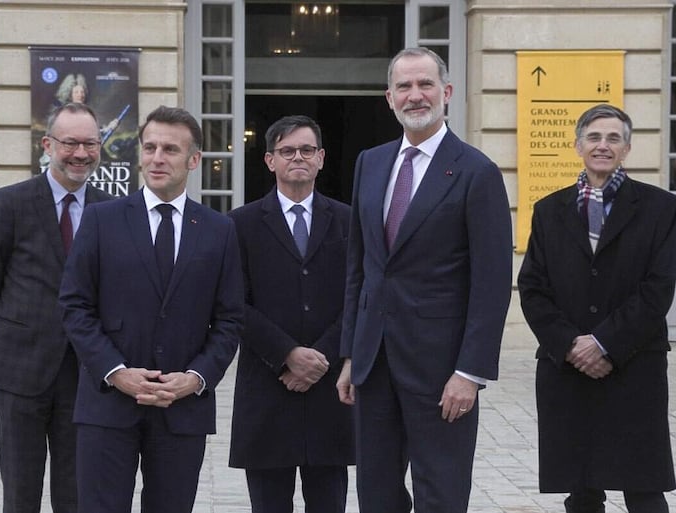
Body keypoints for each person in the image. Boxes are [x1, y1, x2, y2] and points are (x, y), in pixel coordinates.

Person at [336, 47, 513, 513]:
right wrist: (351, 353)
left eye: (425, 84)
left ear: (447, 92)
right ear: (389, 98)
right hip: (374, 363)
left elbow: (492, 284)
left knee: (441, 494)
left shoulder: (477, 172)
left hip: (441, 370)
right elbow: (360, 267)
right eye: (404, 87)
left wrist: (470, 373)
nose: (415, 95)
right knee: (376, 494)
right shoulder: (370, 163)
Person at [59, 105, 244, 513]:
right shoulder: (101, 220)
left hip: (182, 408)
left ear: (193, 160)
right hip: (108, 403)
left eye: (170, 150)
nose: (157, 158)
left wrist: (196, 378)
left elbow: (230, 318)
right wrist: (115, 371)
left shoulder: (219, 230)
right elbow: (74, 305)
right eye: (150, 147)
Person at [518, 104, 676, 513]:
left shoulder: (660, 208)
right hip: (567, 370)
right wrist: (572, 345)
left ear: (627, 148)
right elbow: (533, 288)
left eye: (613, 138)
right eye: (593, 137)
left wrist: (604, 343)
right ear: (578, 146)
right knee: (581, 489)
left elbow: (658, 289)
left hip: (634, 367)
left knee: (644, 489)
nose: (602, 145)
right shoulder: (549, 210)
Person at [0, 102, 113, 513]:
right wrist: (15, 333)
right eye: (70, 143)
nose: (81, 153)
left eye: (90, 144)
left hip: (84, 374)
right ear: (48, 145)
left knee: (76, 491)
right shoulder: (11, 202)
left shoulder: (110, 209)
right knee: (20, 490)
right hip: (18, 371)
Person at [227, 115, 354, 512]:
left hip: (329, 388)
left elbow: (360, 295)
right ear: (270, 160)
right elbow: (232, 302)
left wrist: (321, 356)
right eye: (287, 151)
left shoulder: (349, 221)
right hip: (268, 387)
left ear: (321, 158)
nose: (297, 157)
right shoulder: (240, 224)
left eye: (306, 150)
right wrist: (287, 354)